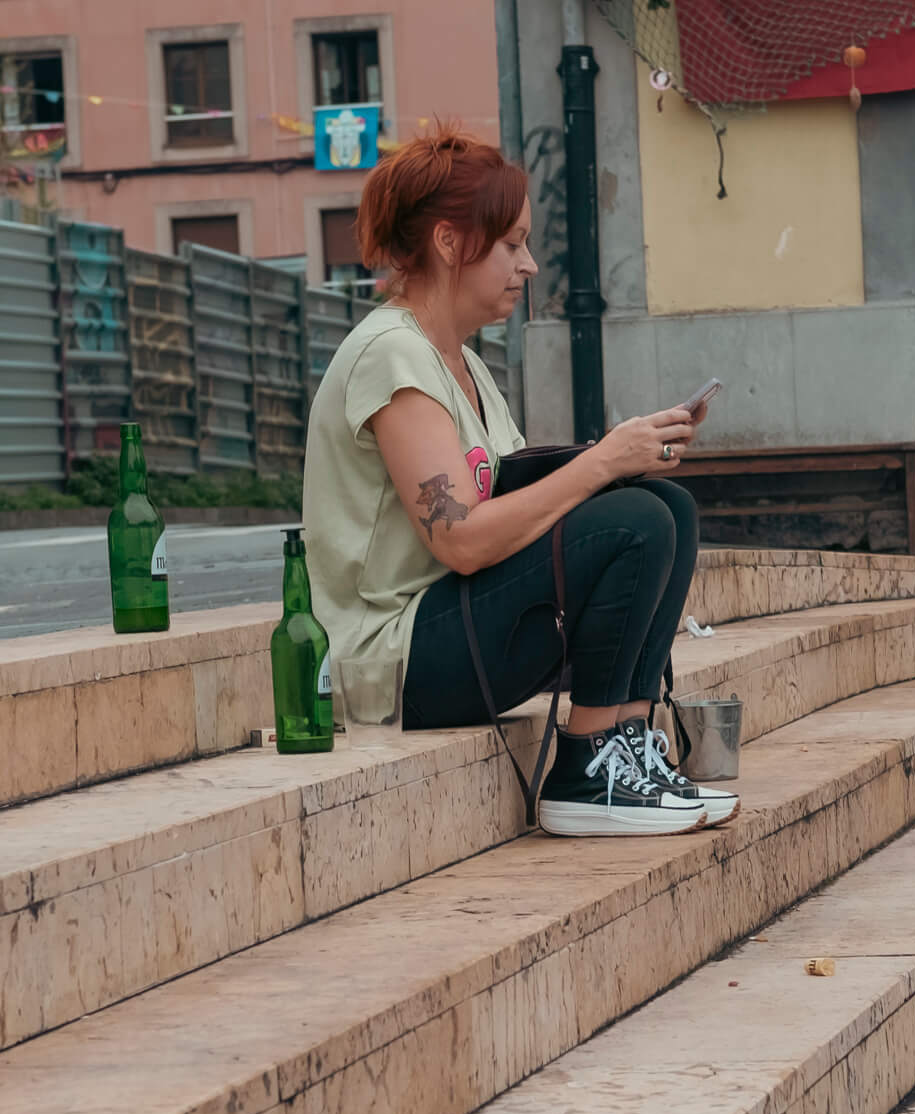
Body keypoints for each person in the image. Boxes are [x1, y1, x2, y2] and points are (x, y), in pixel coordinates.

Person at [302, 126, 736, 837]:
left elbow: (514, 505)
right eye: (511, 245)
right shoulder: (390, 357)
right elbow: (463, 541)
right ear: (449, 243)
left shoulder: (465, 366)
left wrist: (622, 460)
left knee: (667, 506)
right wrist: (600, 464)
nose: (529, 265)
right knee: (637, 520)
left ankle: (625, 741)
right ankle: (587, 765)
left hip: (450, 628)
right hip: (391, 657)